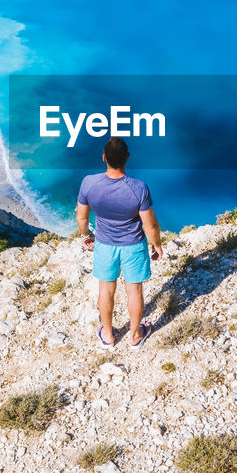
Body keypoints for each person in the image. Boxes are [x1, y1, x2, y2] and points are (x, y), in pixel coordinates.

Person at [76, 136, 162, 349]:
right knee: (134, 290)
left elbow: (82, 218)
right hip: (133, 245)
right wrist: (157, 245)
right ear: (127, 158)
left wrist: (87, 235)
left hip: (104, 244)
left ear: (104, 158)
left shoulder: (89, 183)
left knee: (105, 290)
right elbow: (150, 225)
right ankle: (134, 336)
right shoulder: (139, 188)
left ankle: (108, 334)